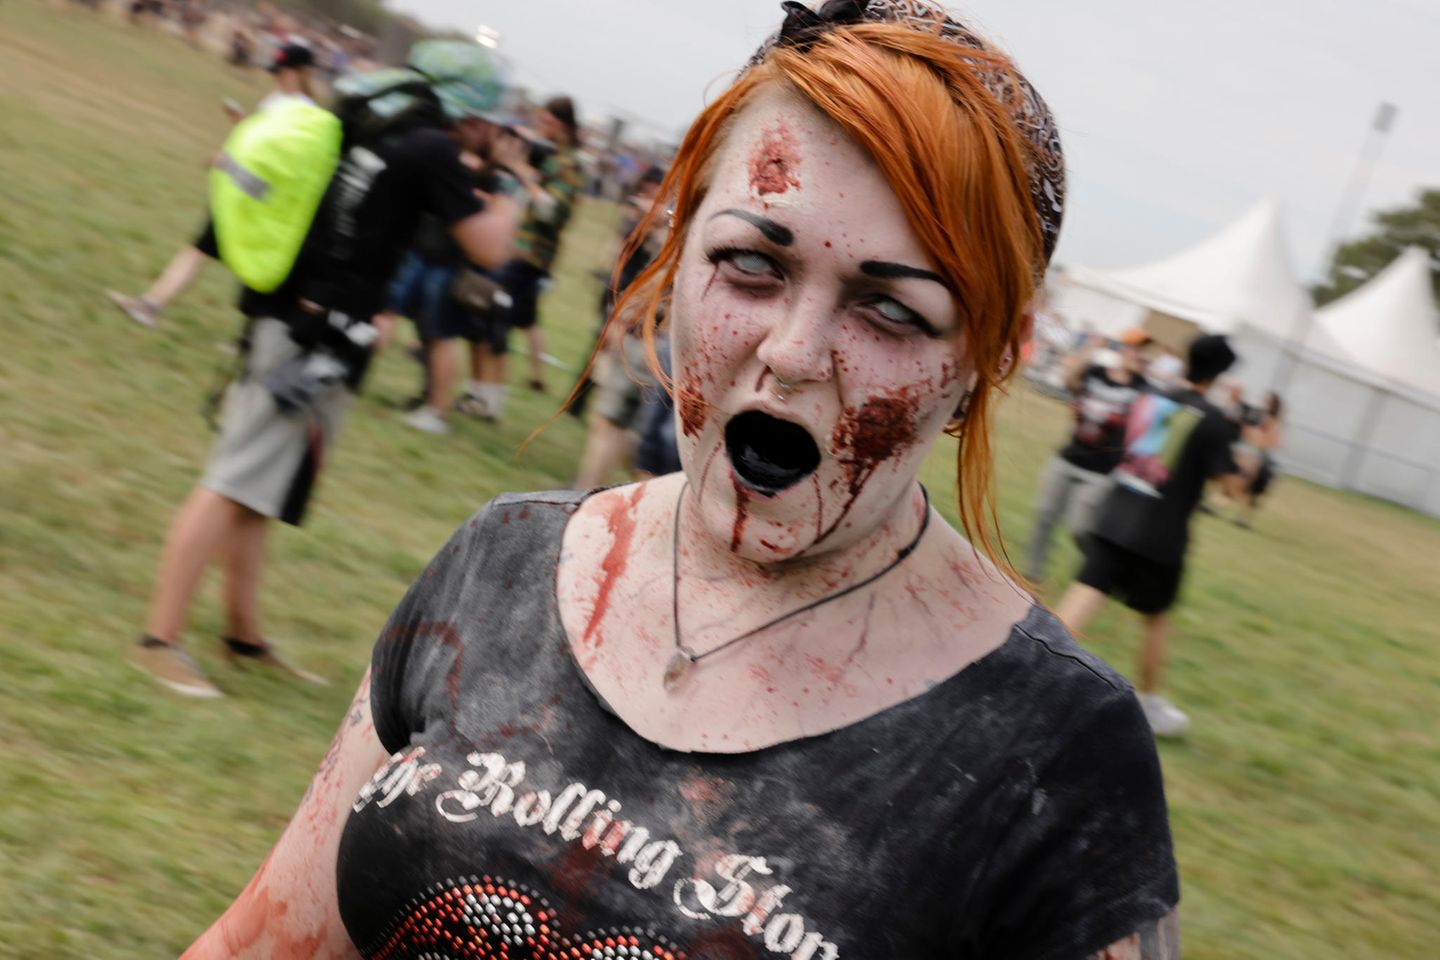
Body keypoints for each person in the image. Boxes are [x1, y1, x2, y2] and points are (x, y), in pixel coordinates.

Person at [185, 3, 1179, 956]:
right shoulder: (506, 561)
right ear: (678, 248)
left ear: (985, 356)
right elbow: (262, 943)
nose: (793, 353)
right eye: (751, 264)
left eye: (889, 311)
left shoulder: (1056, 751)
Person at [128, 41, 524, 699]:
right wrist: (512, 184)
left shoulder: (376, 118)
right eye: (494, 117)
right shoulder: (430, 147)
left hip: (304, 315)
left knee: (263, 486)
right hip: (313, 327)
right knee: (232, 480)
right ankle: (157, 642)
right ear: (471, 109)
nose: (498, 129)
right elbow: (489, 247)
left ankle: (242, 637)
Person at [1056, 333, 1245, 737]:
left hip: (1118, 512)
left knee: (1086, 591)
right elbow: (1229, 485)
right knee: (1157, 617)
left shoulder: (1152, 398)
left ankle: (1032, 670)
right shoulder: (1214, 420)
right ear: (1221, 373)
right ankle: (1150, 702)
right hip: (1161, 533)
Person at [106, 43, 318, 329]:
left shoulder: (305, 115)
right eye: (276, 71)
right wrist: (239, 126)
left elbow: (278, 166)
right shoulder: (275, 101)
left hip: (262, 197)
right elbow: (255, 145)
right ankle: (150, 305)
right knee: (199, 248)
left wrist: (229, 164)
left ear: (301, 72)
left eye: (283, 72)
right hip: (241, 188)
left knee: (258, 272)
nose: (277, 77)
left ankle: (253, 340)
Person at [458, 96, 585, 419]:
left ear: (564, 126)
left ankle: (490, 402)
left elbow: (551, 212)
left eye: (549, 122)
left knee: (493, 322)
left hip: (529, 255)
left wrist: (522, 173)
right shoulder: (545, 154)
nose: (542, 127)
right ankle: (478, 393)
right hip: (510, 245)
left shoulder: (569, 165)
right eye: (540, 120)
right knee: (480, 318)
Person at [1024, 327, 1152, 582]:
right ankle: (1031, 578)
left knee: (1080, 528)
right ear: (1121, 349)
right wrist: (1093, 347)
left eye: (1143, 352)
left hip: (1101, 472)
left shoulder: (1142, 391)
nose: (1138, 355)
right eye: (1134, 349)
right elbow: (1070, 379)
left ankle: (1101, 573)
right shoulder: (1095, 374)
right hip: (1068, 457)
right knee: (1044, 514)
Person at [1232, 390, 1283, 527]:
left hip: (1258, 458)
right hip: (1249, 453)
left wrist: (1258, 440)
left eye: (1268, 400)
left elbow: (1273, 442)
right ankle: (1239, 515)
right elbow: (1246, 431)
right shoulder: (1258, 417)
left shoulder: (1271, 422)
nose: (1264, 402)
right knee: (1240, 483)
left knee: (1249, 488)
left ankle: (1244, 517)